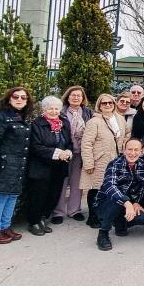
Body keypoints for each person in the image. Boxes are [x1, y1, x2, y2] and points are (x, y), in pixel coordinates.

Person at [0, 87, 34, 244]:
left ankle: (5, 227)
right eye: (16, 96)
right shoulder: (1, 117)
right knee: (0, 197)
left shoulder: (22, 118)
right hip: (4, 165)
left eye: (23, 98)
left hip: (18, 166)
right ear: (9, 99)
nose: (19, 99)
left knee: (12, 197)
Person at [24, 96, 73, 236]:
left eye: (56, 108)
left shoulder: (63, 122)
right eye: (50, 108)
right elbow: (35, 146)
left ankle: (43, 218)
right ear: (44, 109)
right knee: (39, 195)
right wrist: (58, 153)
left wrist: (68, 151)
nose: (53, 111)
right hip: (41, 166)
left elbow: (68, 141)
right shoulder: (37, 124)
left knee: (53, 194)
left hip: (59, 166)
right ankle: (34, 221)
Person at [94, 138, 144, 251]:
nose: (132, 153)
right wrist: (127, 202)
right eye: (129, 149)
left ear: (140, 152)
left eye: (136, 150)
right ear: (124, 151)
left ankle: (120, 224)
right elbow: (110, 186)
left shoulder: (143, 165)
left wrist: (136, 203)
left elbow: (143, 187)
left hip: (128, 203)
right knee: (117, 202)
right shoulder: (115, 164)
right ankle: (103, 233)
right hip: (106, 203)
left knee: (142, 217)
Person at [81, 93, 127, 228]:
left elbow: (127, 134)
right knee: (96, 188)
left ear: (114, 104)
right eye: (104, 103)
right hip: (99, 160)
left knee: (111, 188)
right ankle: (93, 216)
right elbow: (86, 143)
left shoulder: (120, 119)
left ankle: (106, 214)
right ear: (99, 106)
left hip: (116, 160)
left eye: (110, 103)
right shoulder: (94, 121)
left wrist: (124, 143)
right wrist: (88, 162)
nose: (107, 105)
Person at [52, 86, 92, 224]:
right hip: (64, 151)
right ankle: (58, 211)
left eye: (79, 96)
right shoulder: (60, 111)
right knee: (62, 181)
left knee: (77, 181)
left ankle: (75, 210)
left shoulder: (87, 113)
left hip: (81, 152)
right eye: (73, 95)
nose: (76, 97)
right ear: (67, 97)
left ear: (83, 98)